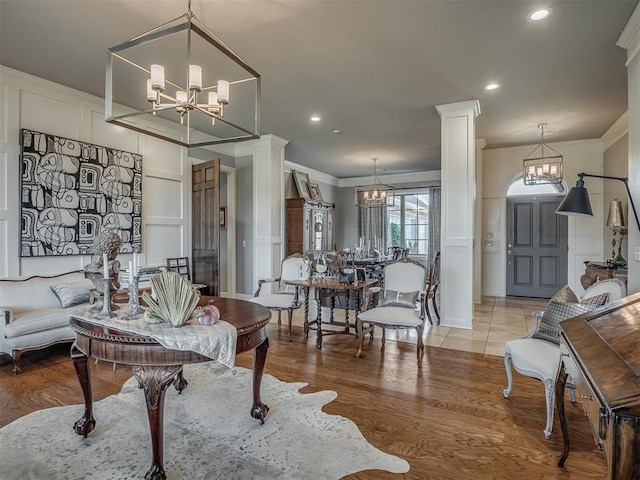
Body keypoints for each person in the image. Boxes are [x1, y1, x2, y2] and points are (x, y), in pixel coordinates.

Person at [84, 230, 122, 301]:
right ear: (111, 251)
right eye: (117, 249)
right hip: (106, 302)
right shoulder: (113, 265)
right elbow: (116, 286)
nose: (117, 253)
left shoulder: (87, 268)